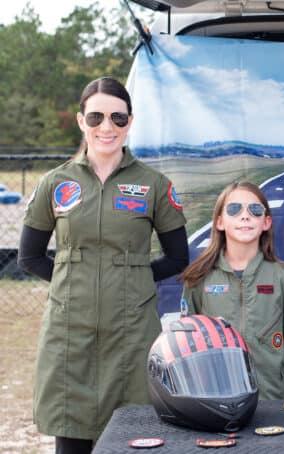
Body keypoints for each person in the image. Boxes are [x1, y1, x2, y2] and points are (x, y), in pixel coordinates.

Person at [17, 77, 189, 454]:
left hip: (132, 329)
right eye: (96, 117)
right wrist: (71, 282)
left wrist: (133, 281)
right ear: (81, 121)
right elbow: (28, 256)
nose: (106, 127)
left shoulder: (153, 184)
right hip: (69, 329)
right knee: (71, 432)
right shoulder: (56, 182)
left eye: (117, 117)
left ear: (130, 121)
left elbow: (178, 257)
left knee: (134, 437)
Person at [180, 181, 284, 400]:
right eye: (234, 209)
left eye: (255, 210)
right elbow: (188, 340)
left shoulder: (282, 275)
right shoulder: (198, 278)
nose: (245, 216)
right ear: (220, 221)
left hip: (271, 397)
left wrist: (277, 371)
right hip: (216, 398)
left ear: (266, 222)